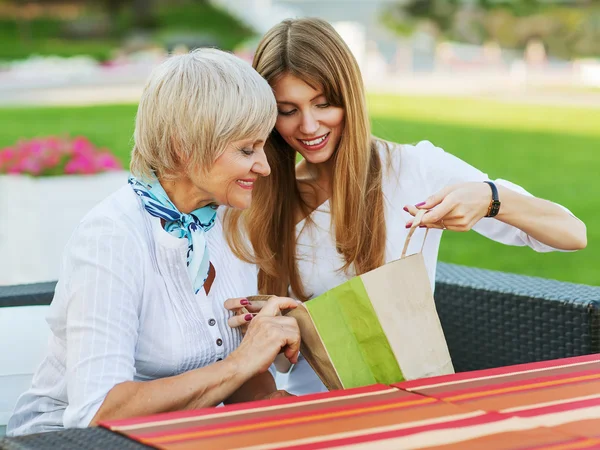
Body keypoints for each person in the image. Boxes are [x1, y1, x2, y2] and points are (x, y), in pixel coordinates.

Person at [224, 18, 587, 395]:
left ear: (350, 96)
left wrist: (490, 197)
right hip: (308, 404)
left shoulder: (415, 169)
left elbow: (571, 234)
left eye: (324, 104)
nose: (310, 126)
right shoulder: (257, 198)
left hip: (413, 398)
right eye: (288, 110)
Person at [7, 48, 301, 436]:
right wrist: (239, 363)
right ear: (184, 146)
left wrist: (268, 392)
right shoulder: (112, 237)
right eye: (246, 149)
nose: (263, 166)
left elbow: (235, 374)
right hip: (65, 441)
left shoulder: (228, 221)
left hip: (181, 435)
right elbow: (96, 414)